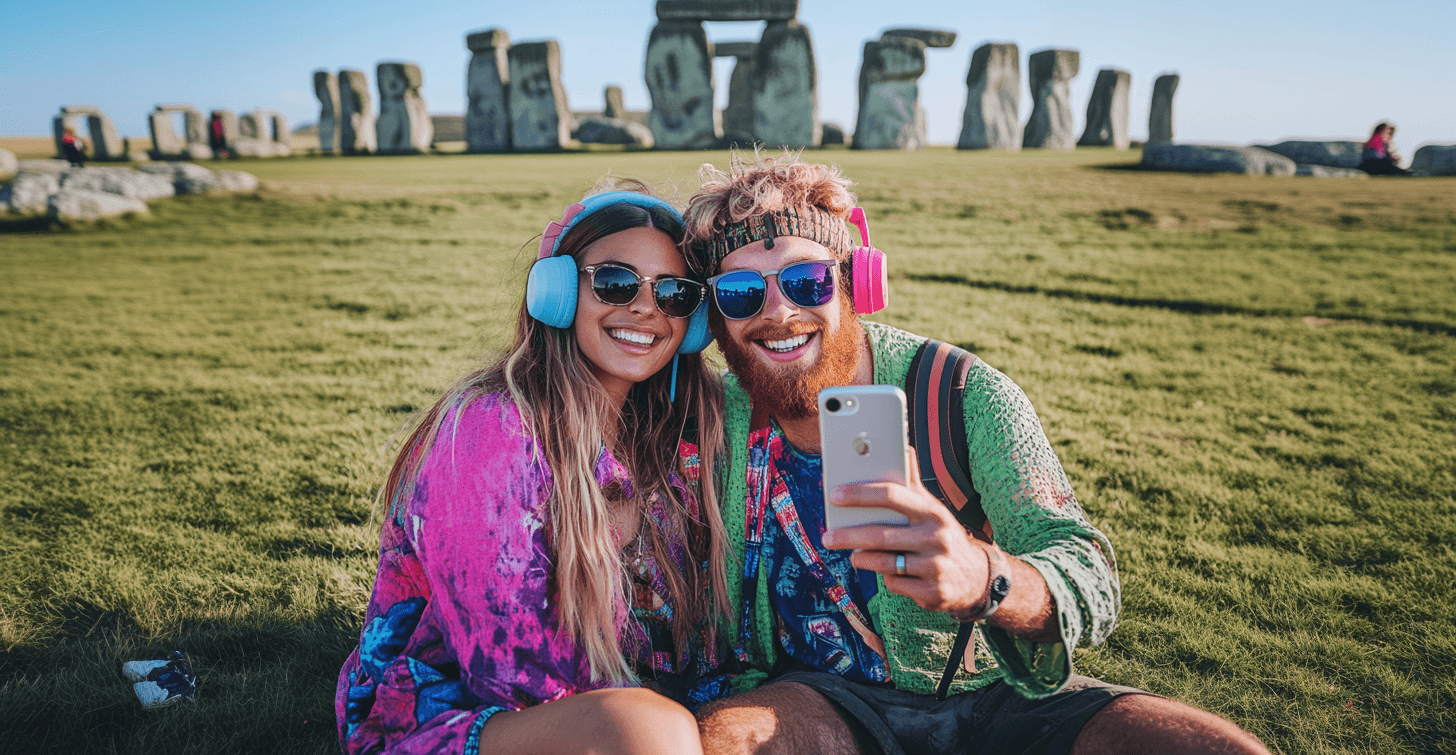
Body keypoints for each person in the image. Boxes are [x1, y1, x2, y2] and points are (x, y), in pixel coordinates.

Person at [681, 151, 1271, 755]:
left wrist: (981, 576)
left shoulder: (964, 392)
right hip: (819, 701)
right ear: (714, 316)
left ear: (857, 283)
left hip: (999, 693)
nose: (778, 311)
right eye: (740, 290)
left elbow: (1089, 573)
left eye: (808, 281)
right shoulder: (708, 415)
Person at [336, 187, 733, 755]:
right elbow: (511, 670)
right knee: (649, 732)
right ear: (560, 292)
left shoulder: (671, 430)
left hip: (619, 705)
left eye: (674, 293)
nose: (647, 308)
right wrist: (643, 711)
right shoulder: (487, 433)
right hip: (463, 717)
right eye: (617, 283)